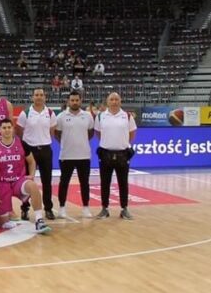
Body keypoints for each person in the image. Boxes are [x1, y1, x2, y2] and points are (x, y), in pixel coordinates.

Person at [0, 119, 52, 233]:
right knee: (3, 223)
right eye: (4, 128)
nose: (7, 130)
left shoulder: (21, 144)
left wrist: (31, 175)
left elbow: (31, 161)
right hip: (2, 184)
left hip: (18, 181)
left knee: (33, 186)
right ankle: (0, 215)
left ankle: (39, 220)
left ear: (13, 129)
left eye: (9, 127)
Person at [94, 92, 137, 220]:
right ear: (107, 102)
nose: (114, 101)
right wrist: (108, 142)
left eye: (116, 99)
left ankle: (124, 209)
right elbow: (97, 133)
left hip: (123, 154)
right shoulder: (101, 116)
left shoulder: (127, 116)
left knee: (123, 183)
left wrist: (122, 143)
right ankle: (104, 209)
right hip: (105, 153)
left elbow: (132, 133)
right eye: (111, 99)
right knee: (105, 183)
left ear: (120, 101)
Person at [16, 88, 57, 220]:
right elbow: (19, 132)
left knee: (47, 182)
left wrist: (42, 140)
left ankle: (49, 209)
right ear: (32, 97)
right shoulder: (25, 113)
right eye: (36, 95)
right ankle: (25, 209)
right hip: (29, 151)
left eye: (41, 95)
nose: (39, 97)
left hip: (45, 149)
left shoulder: (50, 113)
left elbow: (52, 131)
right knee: (27, 181)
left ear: (45, 97)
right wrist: (28, 145)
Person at [54, 91, 95, 219]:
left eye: (77, 100)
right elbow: (57, 134)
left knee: (85, 183)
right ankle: (61, 208)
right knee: (64, 182)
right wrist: (68, 143)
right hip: (66, 155)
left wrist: (80, 141)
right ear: (68, 101)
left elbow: (91, 133)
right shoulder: (60, 116)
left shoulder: (88, 116)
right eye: (72, 100)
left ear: (80, 101)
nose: (75, 102)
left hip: (84, 155)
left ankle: (86, 207)